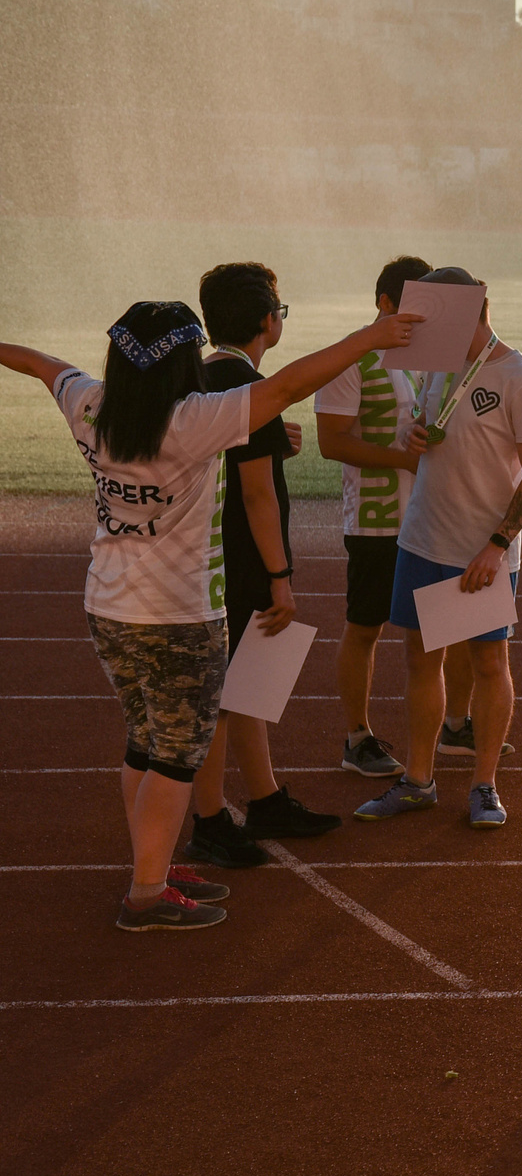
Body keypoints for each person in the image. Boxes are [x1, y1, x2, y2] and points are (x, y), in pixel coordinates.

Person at [0, 298, 418, 929]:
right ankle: (146, 892)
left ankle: (155, 866)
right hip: (178, 615)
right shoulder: (193, 420)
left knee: (143, 742)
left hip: (107, 606)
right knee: (175, 755)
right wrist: (373, 336)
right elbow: (292, 382)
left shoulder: (90, 404)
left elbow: (36, 362)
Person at [355, 267, 522, 831]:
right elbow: (425, 431)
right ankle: (419, 780)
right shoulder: (441, 366)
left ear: (473, 311)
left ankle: (484, 784)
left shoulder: (520, 379)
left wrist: (496, 546)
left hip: (478, 550)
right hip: (424, 537)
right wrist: (414, 434)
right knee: (420, 658)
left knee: (488, 661)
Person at [185, 262, 342, 864]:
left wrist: (280, 439)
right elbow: (256, 492)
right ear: (265, 322)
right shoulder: (252, 389)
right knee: (230, 691)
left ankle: (265, 796)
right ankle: (210, 821)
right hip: (243, 558)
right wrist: (281, 577)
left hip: (204, 549)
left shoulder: (198, 377)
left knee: (246, 684)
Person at [314, 255, 429, 780]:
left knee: (433, 632)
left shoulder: (430, 354)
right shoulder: (351, 358)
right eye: (414, 304)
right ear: (385, 303)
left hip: (431, 516)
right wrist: (405, 459)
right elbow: (331, 442)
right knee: (365, 627)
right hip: (377, 519)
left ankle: (450, 727)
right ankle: (357, 737)